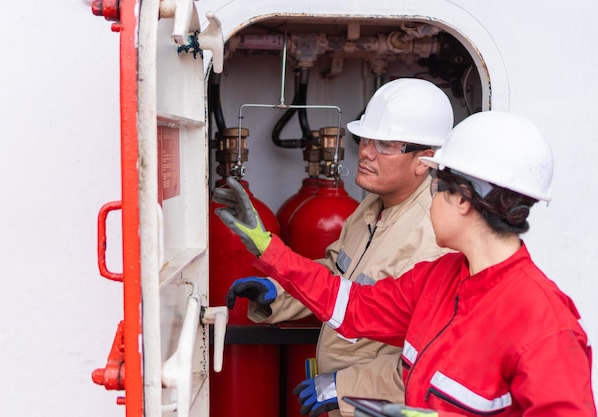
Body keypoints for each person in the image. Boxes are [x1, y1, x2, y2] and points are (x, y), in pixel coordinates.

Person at [213, 110, 596, 417]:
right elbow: (350, 305)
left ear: (464, 200)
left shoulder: (545, 326)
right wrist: (267, 247)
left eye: (437, 189)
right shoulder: (439, 280)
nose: (430, 200)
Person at [219, 78, 455, 417]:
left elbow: (431, 361)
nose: (366, 151)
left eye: (385, 144)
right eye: (365, 138)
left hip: (374, 408)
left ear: (424, 159)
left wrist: (344, 388)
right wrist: (276, 291)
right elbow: (336, 275)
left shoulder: (434, 238)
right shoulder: (373, 206)